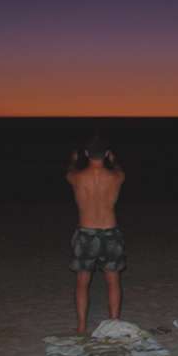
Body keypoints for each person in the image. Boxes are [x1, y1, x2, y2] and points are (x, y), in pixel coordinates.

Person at [66, 137, 126, 333]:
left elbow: (70, 170)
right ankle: (114, 324)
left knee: (82, 283)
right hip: (110, 231)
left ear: (86, 154)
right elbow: (118, 168)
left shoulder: (76, 177)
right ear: (107, 154)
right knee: (113, 280)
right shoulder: (117, 177)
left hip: (86, 232)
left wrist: (74, 160)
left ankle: (82, 327)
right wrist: (114, 160)